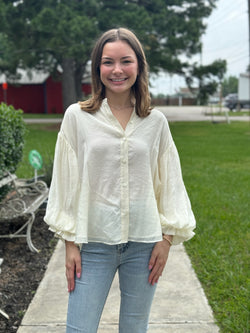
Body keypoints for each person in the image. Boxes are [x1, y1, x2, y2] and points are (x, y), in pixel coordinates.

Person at [44, 27, 196, 333]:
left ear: (138, 65)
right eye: (107, 62)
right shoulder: (77, 116)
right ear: (97, 68)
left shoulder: (155, 122)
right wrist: (70, 244)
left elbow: (169, 182)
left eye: (125, 61)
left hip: (144, 244)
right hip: (93, 244)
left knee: (134, 327)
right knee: (79, 328)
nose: (116, 70)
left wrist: (166, 239)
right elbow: (65, 183)